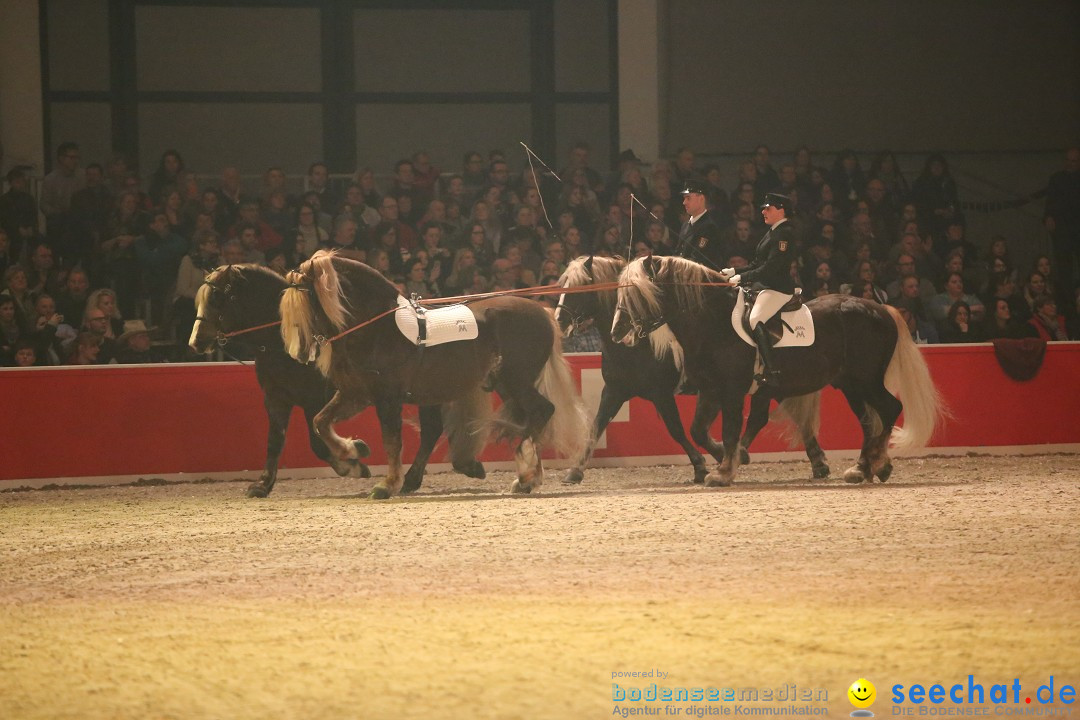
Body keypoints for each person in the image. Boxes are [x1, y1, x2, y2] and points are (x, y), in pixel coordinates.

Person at [723, 192, 799, 387]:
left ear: (781, 210)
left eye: (768, 208)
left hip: (778, 288)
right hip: (764, 286)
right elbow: (757, 263)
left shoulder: (785, 233)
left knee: (755, 318)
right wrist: (734, 270)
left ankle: (772, 370)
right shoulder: (773, 231)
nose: (763, 211)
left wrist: (741, 278)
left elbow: (771, 268)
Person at [1043, 147, 1080, 299]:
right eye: (1068, 160)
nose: (1070, 164)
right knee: (1064, 267)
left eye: (1074, 161)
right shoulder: (1056, 178)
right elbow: (1049, 203)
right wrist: (1048, 217)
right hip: (1062, 229)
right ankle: (1068, 299)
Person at [674, 180, 724, 270]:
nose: (684, 202)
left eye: (688, 198)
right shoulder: (685, 225)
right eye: (684, 198)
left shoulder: (709, 227)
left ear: (701, 199)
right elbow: (678, 252)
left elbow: (698, 259)